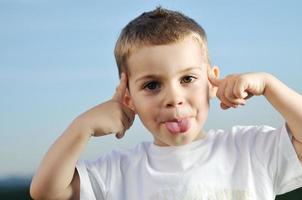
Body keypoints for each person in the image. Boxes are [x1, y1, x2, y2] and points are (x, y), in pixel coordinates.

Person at [30, 7, 302, 200]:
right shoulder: (119, 172)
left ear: (211, 80)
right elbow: (46, 191)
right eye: (152, 85)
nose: (173, 98)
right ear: (128, 98)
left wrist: (269, 85)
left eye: (188, 78)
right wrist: (83, 126)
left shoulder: (249, 150)